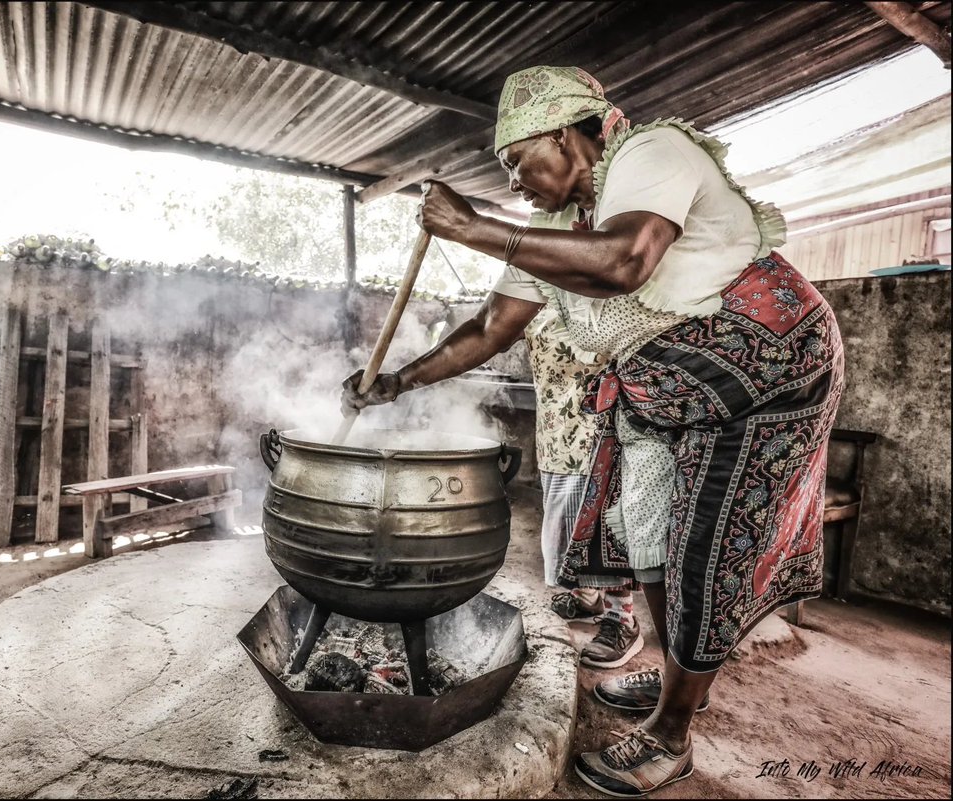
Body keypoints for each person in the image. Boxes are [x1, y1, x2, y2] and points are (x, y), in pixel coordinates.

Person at [342, 65, 843, 797]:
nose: (514, 182)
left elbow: (625, 260)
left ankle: (671, 735)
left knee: (703, 546)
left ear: (566, 132)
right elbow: (489, 327)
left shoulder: (651, 155)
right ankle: (681, 676)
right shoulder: (548, 230)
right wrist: (396, 382)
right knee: (642, 532)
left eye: (519, 162)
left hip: (767, 375)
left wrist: (475, 228)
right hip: (665, 389)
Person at [526, 283, 645, 670]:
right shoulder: (537, 282)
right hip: (555, 420)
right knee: (564, 515)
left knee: (602, 522)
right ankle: (587, 595)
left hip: (602, 422)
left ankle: (620, 618)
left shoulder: (615, 278)